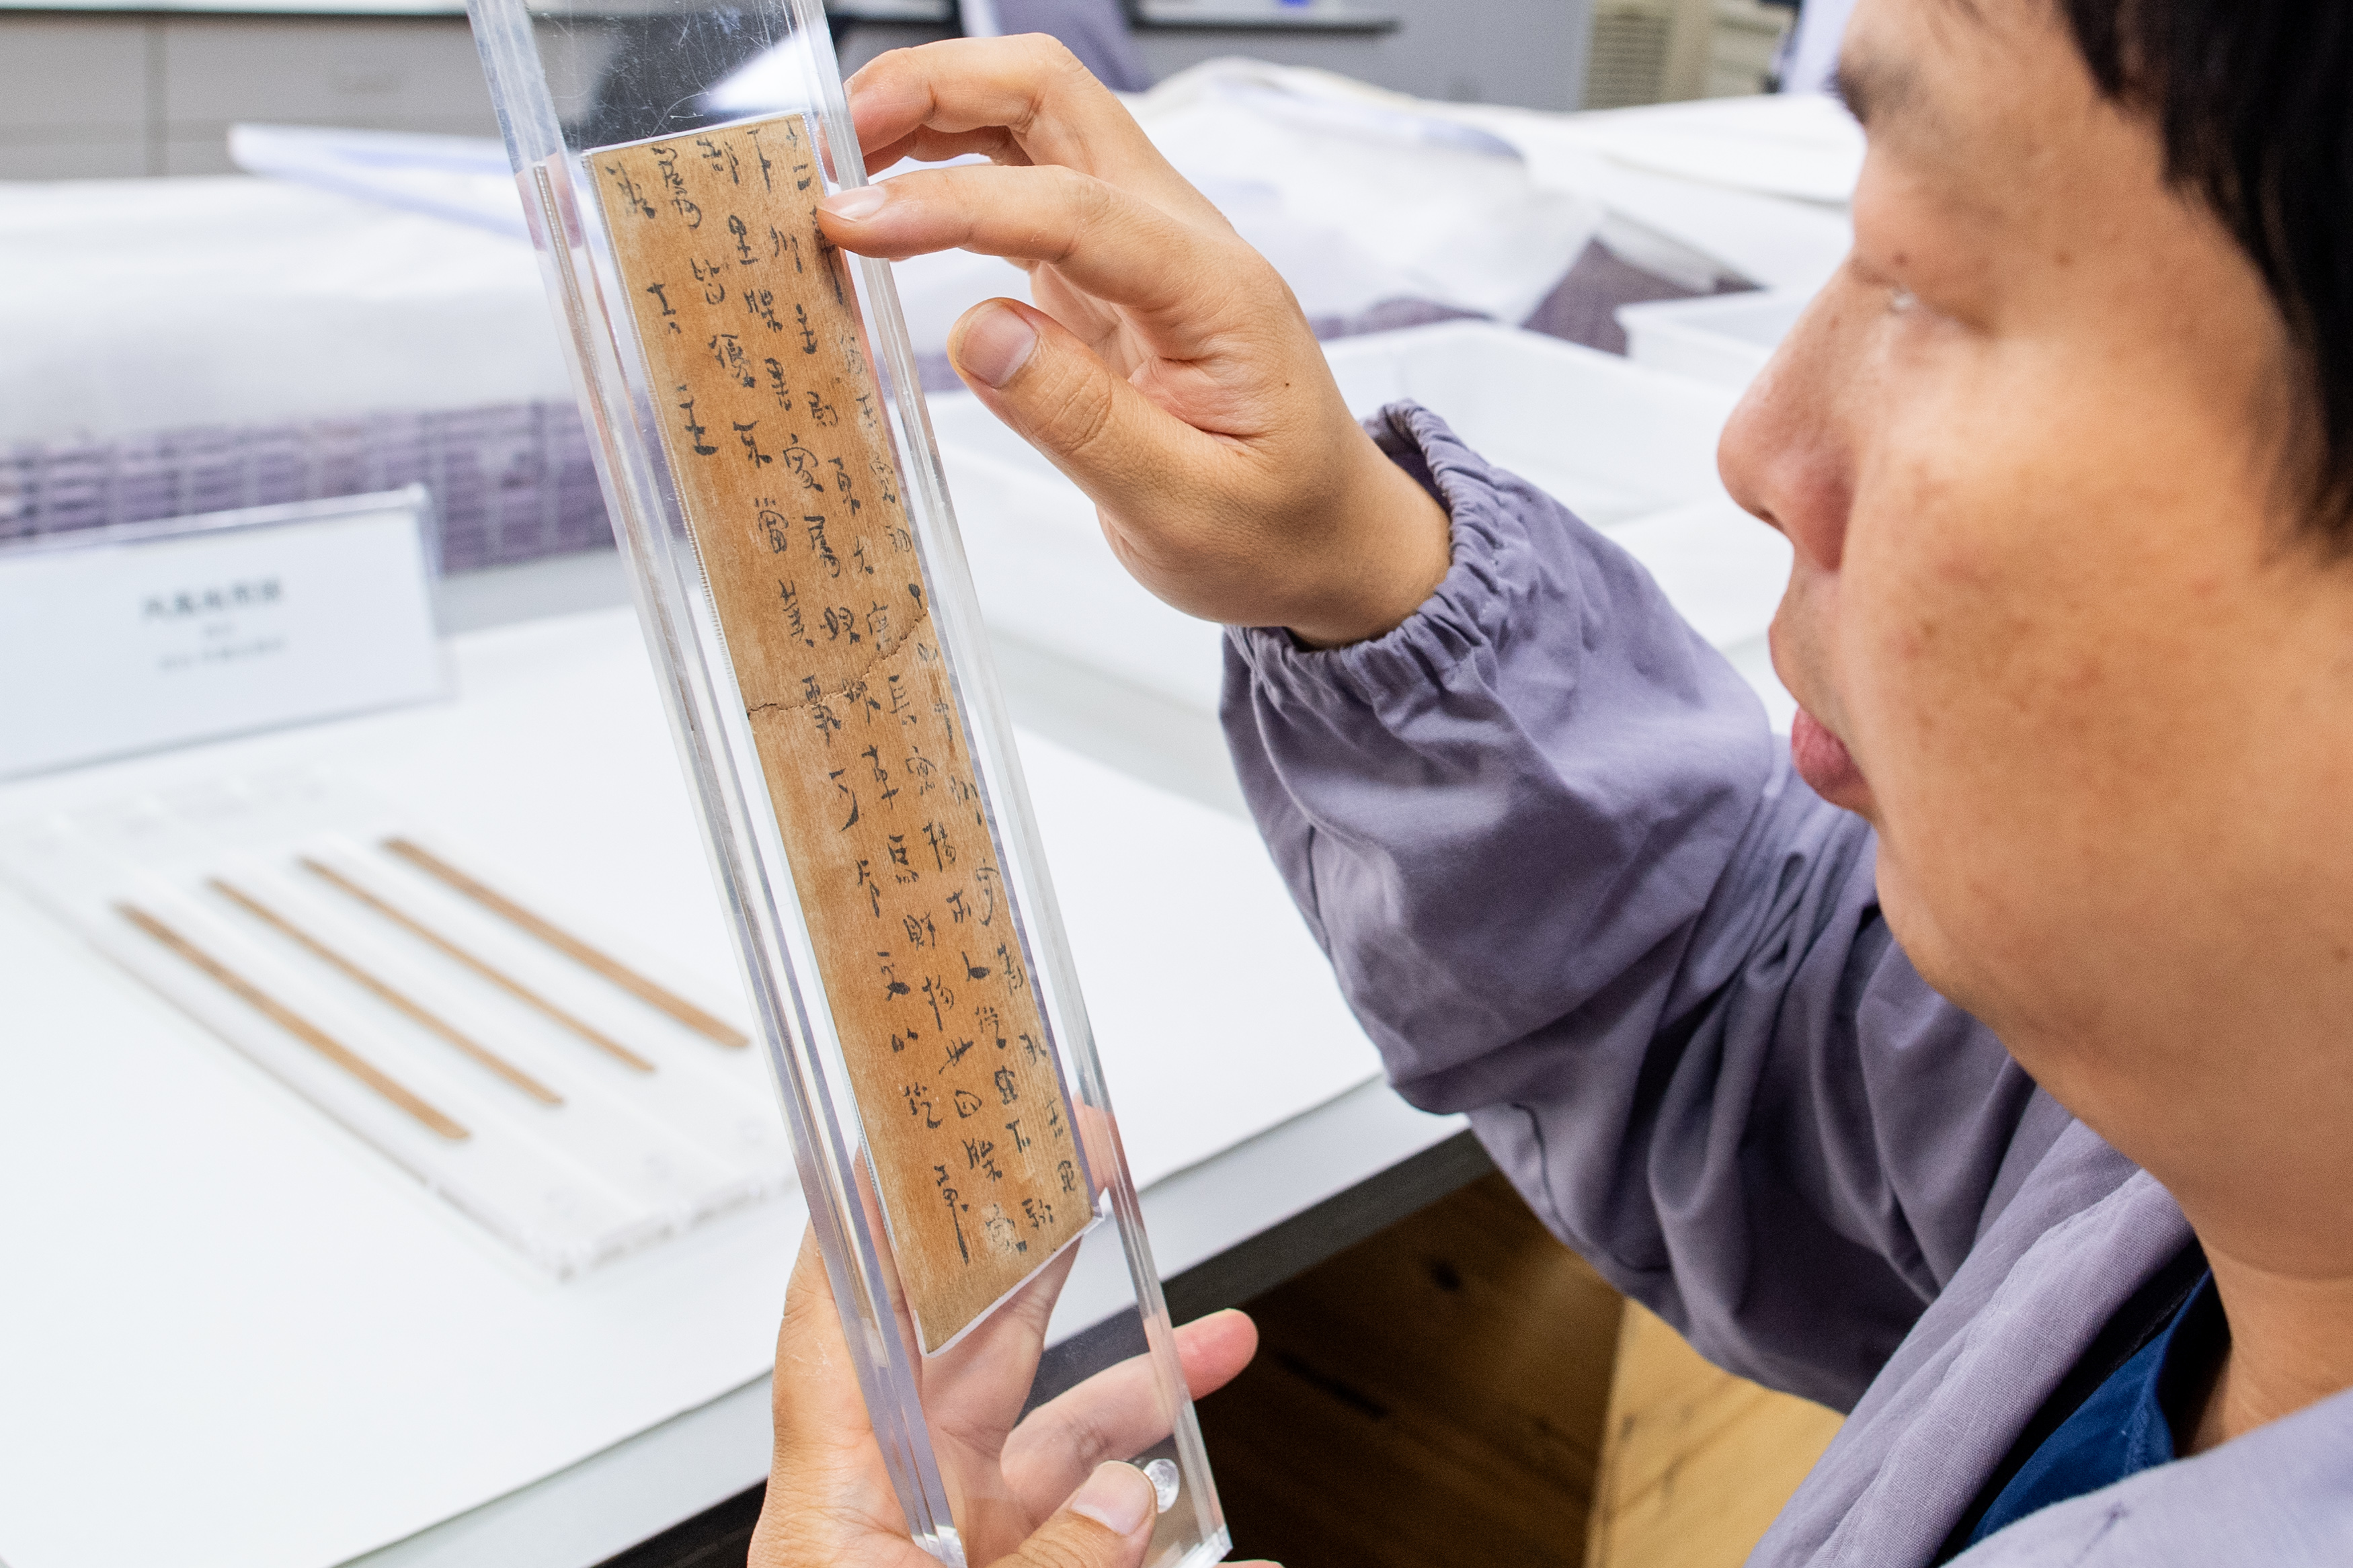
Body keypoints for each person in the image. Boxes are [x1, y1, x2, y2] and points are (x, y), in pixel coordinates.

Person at [757, 0, 2353, 1560]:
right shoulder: (2236, 1118)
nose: (1758, 444)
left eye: (1925, 282)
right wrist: (1355, 564)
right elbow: (1748, 1018)